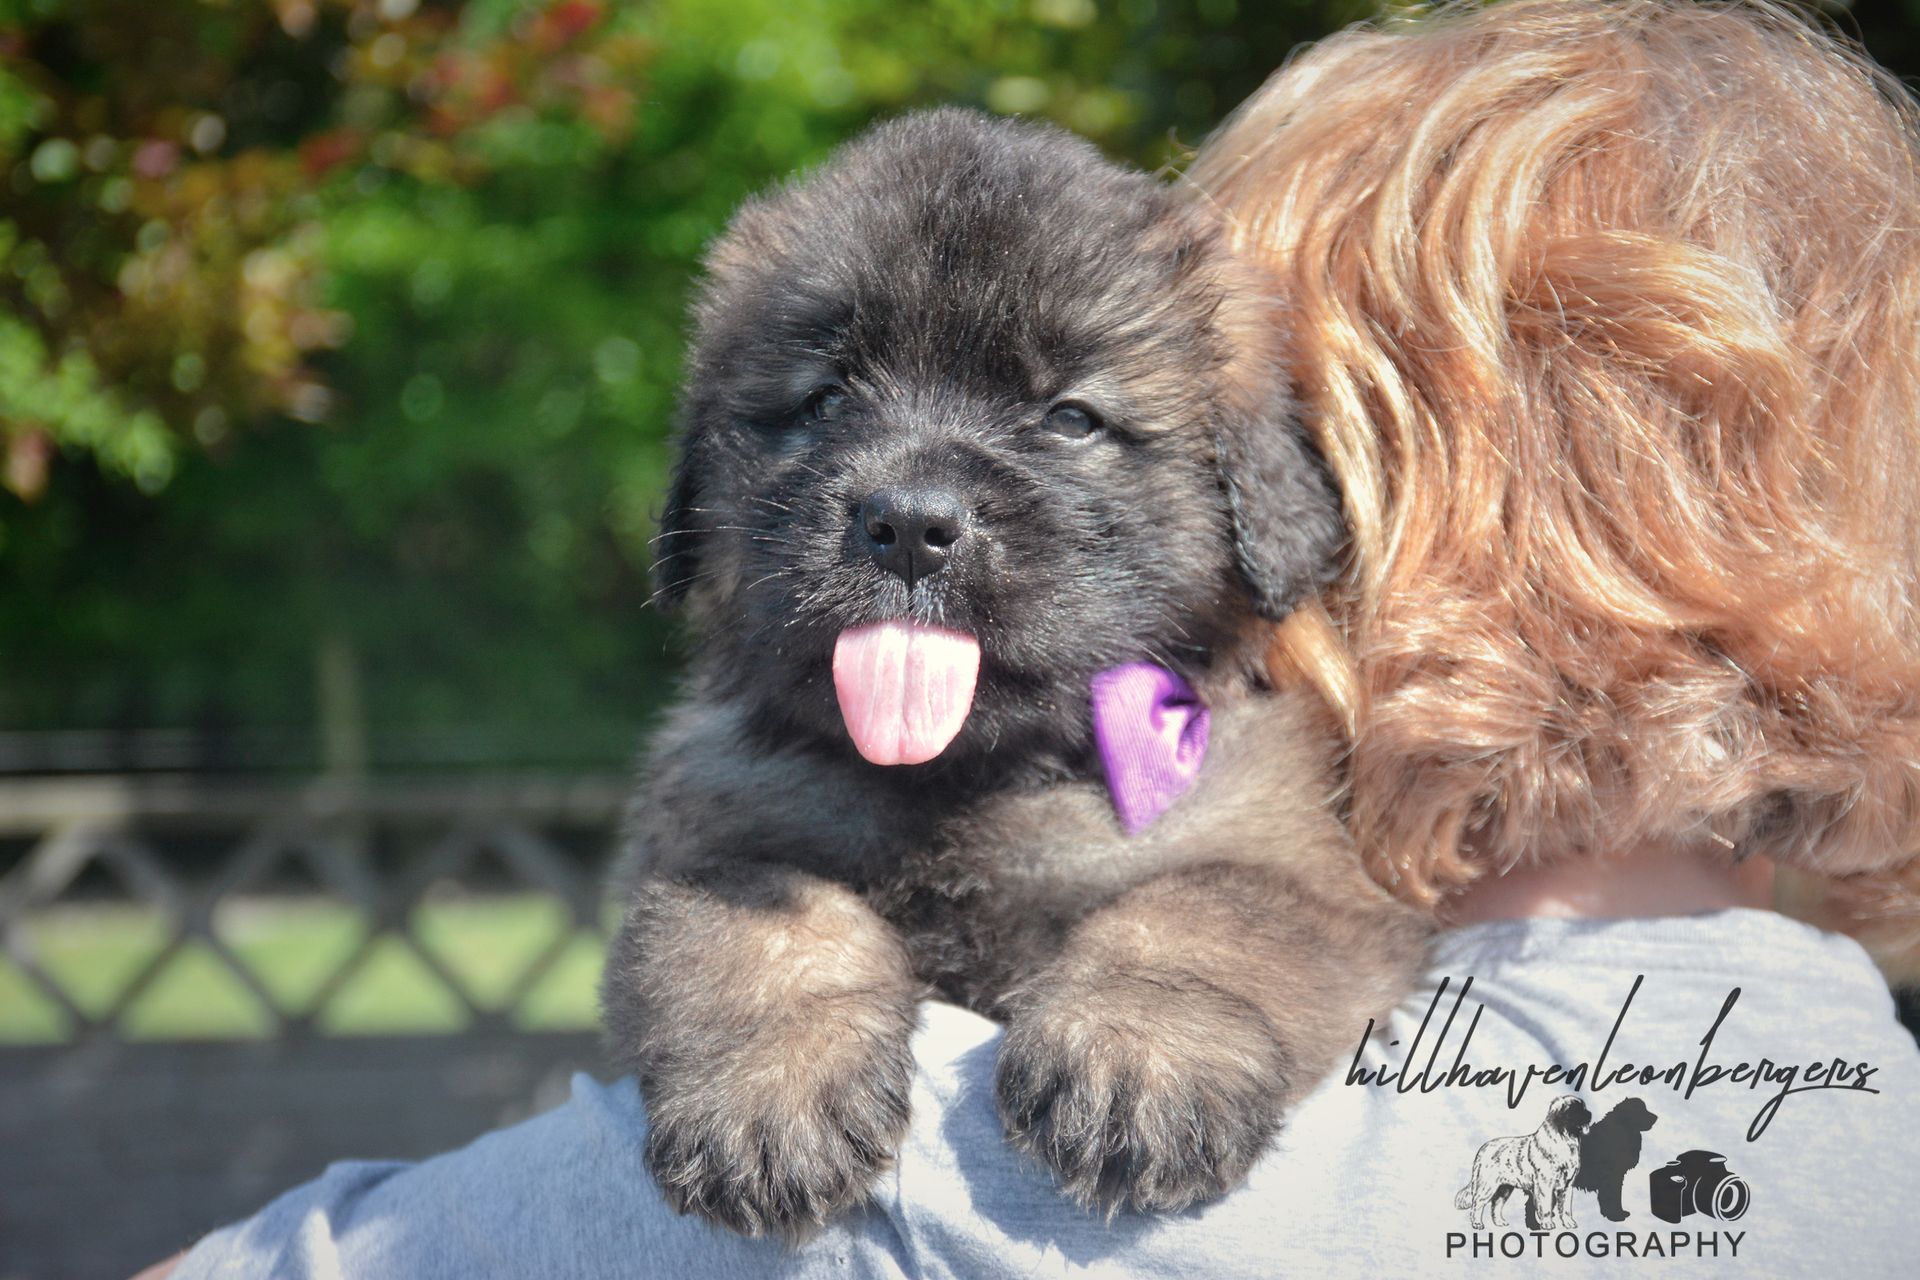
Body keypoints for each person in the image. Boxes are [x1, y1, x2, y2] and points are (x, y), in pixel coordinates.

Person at [153, 2, 1920, 1276]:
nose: (913, 499)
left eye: (1077, 419)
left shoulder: (934, 1181)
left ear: (1318, 506)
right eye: (817, 403)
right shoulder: (1864, 1108)